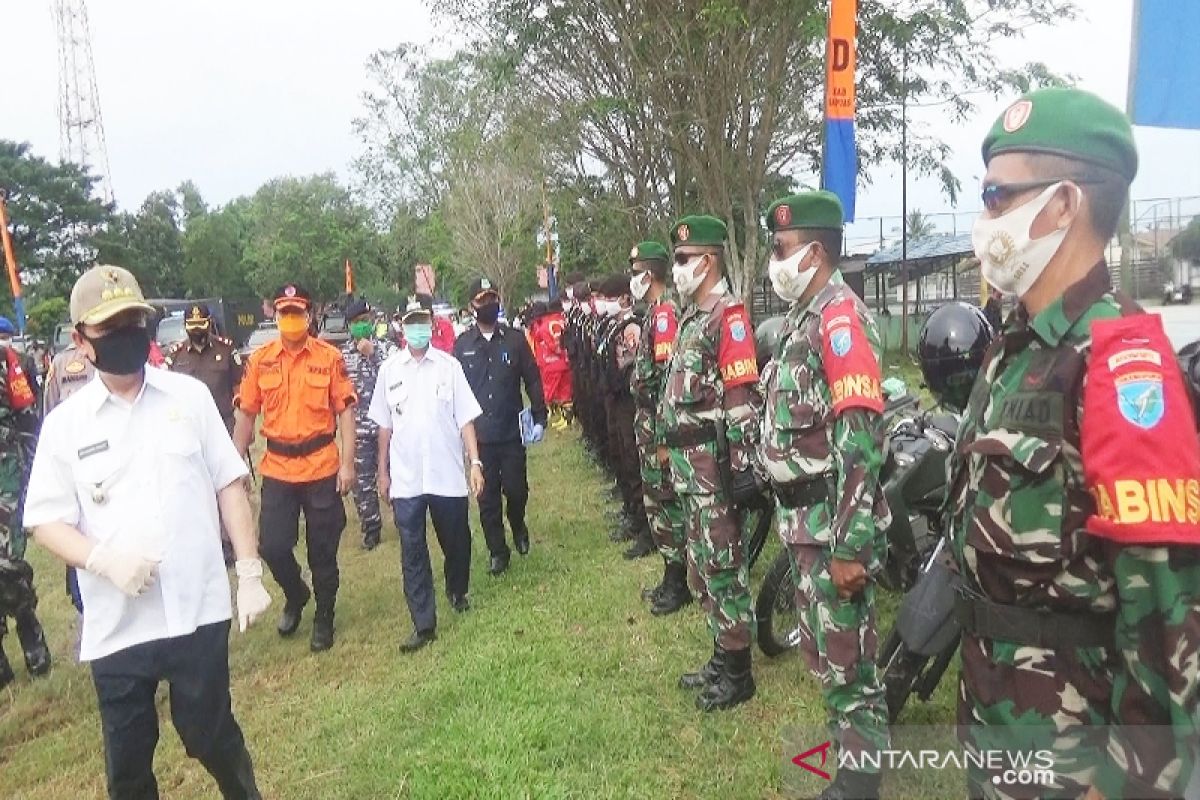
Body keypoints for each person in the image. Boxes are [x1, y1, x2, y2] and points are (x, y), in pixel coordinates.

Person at [950, 87, 1200, 800]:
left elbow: (1168, 618)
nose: (985, 218)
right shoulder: (1018, 349)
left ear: (1062, 205)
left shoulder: (1121, 368)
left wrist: (1132, 783)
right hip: (998, 720)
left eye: (999, 196)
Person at [23, 264, 270, 799]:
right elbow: (45, 518)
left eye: (134, 321)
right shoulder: (68, 425)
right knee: (128, 769)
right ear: (80, 341)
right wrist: (101, 560)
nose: (126, 335)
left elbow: (230, 482)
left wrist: (249, 569)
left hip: (196, 609)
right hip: (119, 622)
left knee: (211, 735)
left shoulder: (189, 398)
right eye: (110, 328)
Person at [758, 192, 891, 799]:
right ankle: (848, 763)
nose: (774, 259)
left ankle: (861, 783)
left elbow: (858, 435)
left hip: (831, 526)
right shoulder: (803, 318)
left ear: (814, 251)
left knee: (849, 664)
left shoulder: (840, 320)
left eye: (781, 249)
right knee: (825, 655)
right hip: (803, 523)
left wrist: (851, 543)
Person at [661, 215, 761, 712]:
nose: (677, 268)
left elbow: (741, 396)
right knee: (701, 565)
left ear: (708, 261)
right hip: (689, 466)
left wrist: (742, 469)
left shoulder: (729, 317)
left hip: (714, 466)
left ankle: (739, 672)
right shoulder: (691, 317)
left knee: (723, 565)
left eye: (682, 260)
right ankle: (721, 655)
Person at [233, 283, 357, 652]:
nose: (290, 319)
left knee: (323, 550)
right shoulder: (261, 359)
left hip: (321, 465)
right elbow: (247, 413)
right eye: (284, 312)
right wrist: (233, 461)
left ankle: (324, 617)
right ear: (274, 314)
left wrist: (347, 464)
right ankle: (296, 592)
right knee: (271, 545)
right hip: (278, 468)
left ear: (309, 315)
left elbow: (346, 411)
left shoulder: (329, 357)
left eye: (297, 312)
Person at [370, 305, 484, 653]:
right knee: (412, 551)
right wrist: (382, 472)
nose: (417, 329)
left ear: (431, 326)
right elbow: (384, 427)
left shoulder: (449, 368)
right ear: (402, 328)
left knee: (456, 540)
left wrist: (475, 462)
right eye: (411, 323)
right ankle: (424, 622)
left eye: (423, 323)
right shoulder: (389, 370)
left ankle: (456, 589)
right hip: (407, 480)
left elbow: (465, 419)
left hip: (445, 473)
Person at [454, 277, 547, 576]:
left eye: (492, 298)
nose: (489, 305)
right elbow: (455, 391)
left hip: (511, 431)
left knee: (517, 490)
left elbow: (532, 377)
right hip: (479, 437)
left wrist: (539, 413)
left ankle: (518, 523)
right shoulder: (463, 345)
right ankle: (498, 550)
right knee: (487, 497)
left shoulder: (516, 339)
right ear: (472, 307)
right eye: (483, 300)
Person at [627, 241, 692, 614]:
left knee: (666, 502)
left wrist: (665, 435)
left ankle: (678, 579)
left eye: (635, 272)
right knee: (657, 502)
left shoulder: (665, 313)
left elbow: (667, 377)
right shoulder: (654, 311)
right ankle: (672, 573)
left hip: (658, 423)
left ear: (647, 275)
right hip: (648, 422)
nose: (632, 279)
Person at [0, 317, 50, 689]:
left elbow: (28, 416)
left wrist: (36, 469)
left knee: (8, 561)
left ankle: (30, 632)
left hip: (5, 472)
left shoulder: (6, 358)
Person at [597, 274, 655, 560]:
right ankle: (632, 514)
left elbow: (635, 368)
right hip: (616, 399)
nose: (603, 304)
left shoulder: (631, 327)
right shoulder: (615, 324)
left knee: (634, 463)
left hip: (629, 402)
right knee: (623, 458)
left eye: (608, 298)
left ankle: (645, 527)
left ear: (623, 298)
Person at [342, 298, 391, 550]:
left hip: (388, 427)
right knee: (362, 485)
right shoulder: (341, 357)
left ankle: (405, 515)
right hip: (359, 429)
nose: (362, 326)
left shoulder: (386, 349)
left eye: (366, 321)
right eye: (357, 323)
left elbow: (395, 378)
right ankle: (371, 528)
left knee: (394, 476)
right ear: (349, 325)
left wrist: (373, 356)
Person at [163, 304, 243, 435]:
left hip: (223, 423)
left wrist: (242, 420)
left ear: (209, 322)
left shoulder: (226, 349)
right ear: (185, 325)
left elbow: (239, 384)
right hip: (188, 426)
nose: (196, 329)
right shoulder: (176, 354)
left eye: (200, 324)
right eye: (192, 324)